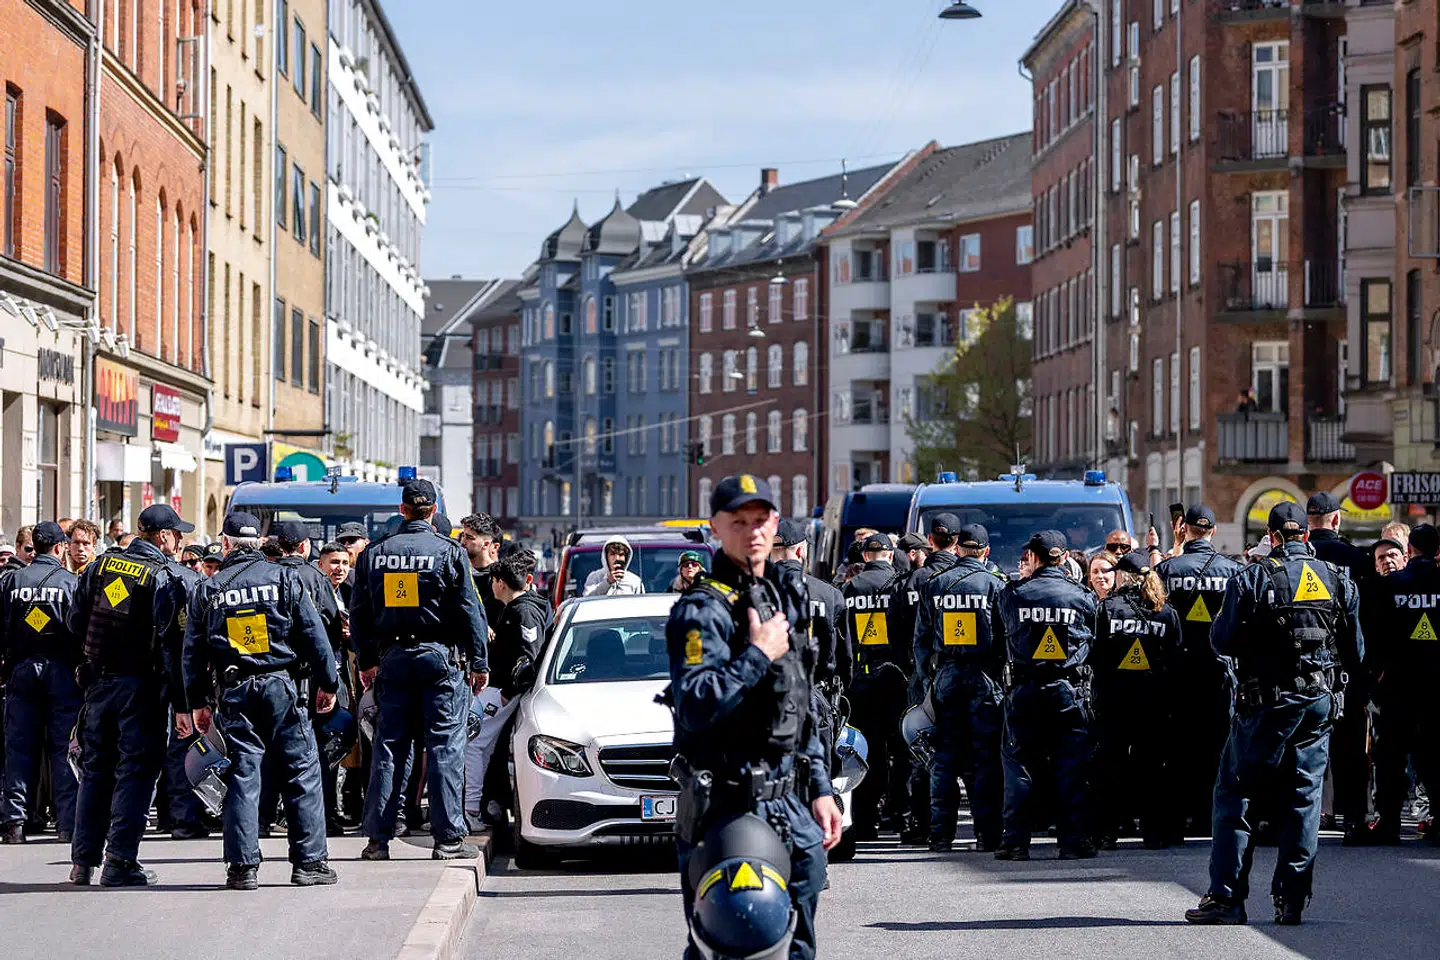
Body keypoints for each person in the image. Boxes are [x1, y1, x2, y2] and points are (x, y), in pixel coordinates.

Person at [665, 474, 841, 959]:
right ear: (715, 528)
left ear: (776, 523)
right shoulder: (703, 610)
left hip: (791, 805)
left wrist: (822, 790)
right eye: (738, 522)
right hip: (725, 805)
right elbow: (697, 702)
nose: (753, 532)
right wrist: (757, 655)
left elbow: (798, 709)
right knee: (726, 941)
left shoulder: (779, 601)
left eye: (761, 520)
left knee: (798, 946)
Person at [1186, 501, 1362, 926]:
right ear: (1306, 534)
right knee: (1303, 798)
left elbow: (1222, 641)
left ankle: (1226, 898)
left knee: (1237, 792)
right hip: (1319, 702)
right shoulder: (1339, 580)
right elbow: (1356, 651)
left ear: (1274, 536)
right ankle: (1292, 900)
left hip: (1266, 702)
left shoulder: (1252, 578)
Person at [183, 512, 339, 890]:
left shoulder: (210, 588)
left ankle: (242, 867)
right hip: (280, 686)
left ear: (225, 545)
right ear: (260, 543)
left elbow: (191, 652)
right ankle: (310, 863)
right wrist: (328, 683)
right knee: (301, 770)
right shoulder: (285, 578)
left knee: (243, 775)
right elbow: (314, 635)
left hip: (235, 691)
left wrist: (197, 702)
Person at [353, 478, 488, 861]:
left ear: (403, 510)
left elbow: (360, 615)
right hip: (439, 659)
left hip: (393, 660)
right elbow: (469, 611)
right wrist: (479, 663)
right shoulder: (448, 551)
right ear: (434, 512)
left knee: (389, 746)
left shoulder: (374, 554)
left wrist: (367, 662)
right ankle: (447, 840)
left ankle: (378, 840)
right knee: (445, 747)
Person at [66, 505, 192, 886]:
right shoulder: (163, 577)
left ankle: (82, 862)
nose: (181, 541)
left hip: (98, 685)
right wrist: (183, 702)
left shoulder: (99, 567)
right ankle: (119, 862)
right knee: (135, 773)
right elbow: (173, 645)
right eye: (178, 534)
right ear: (165, 537)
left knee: (96, 770)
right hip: (141, 688)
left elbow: (76, 622)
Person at [994, 529, 1098, 860]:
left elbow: (1001, 635)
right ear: (1064, 557)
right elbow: (1092, 639)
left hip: (1025, 689)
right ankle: (1072, 841)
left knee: (1020, 765)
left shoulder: (1014, 594)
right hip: (1069, 691)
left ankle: (1015, 843)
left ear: (1034, 558)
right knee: (1070, 766)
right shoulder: (1081, 596)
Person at [914, 521, 1005, 853]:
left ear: (957, 549)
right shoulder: (996, 584)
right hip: (985, 681)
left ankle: (940, 836)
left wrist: (928, 681)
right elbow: (1006, 639)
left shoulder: (935, 584)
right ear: (985, 552)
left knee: (945, 760)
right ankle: (987, 836)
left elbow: (921, 642)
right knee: (985, 760)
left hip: (947, 678)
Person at [1155, 505, 1243, 841]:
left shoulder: (1166, 570)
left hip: (1176, 671)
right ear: (1213, 531)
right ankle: (1210, 817)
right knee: (1217, 746)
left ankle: (1177, 818)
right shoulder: (1233, 571)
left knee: (1177, 746)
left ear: (1183, 529)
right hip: (1219, 672)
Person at [1092, 551, 1181, 849]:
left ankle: (1106, 831)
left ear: (1123, 575)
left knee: (1110, 765)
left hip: (1115, 701)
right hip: (1154, 702)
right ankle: (1155, 832)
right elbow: (1176, 657)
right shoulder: (1165, 611)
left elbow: (1096, 657)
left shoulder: (1107, 609)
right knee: (1153, 766)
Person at [0, 522, 81, 844]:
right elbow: (80, 632)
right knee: (64, 749)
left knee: (18, 748)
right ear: (60, 547)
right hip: (62, 672)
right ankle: (66, 824)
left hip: (21, 670)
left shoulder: (12, 581)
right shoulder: (70, 583)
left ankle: (14, 823)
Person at [273, 521, 349, 835]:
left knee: (272, 751)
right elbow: (328, 633)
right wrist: (330, 682)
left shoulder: (269, 575)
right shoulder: (316, 579)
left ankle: (269, 817)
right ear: (306, 547)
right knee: (321, 748)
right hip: (312, 679)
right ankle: (323, 817)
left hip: (275, 676)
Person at [1304, 492, 1373, 842]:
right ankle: (1354, 820)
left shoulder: (1296, 559)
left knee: (1304, 748)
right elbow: (1369, 620)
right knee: (1350, 752)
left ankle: (1305, 819)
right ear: (1335, 520)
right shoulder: (1356, 559)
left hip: (1301, 672)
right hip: (1346, 672)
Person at [1366, 523, 1440, 847]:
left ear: (1409, 551)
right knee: (1435, 756)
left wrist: (1377, 673)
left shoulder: (1391, 586)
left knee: (1391, 758)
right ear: (1437, 552)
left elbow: (1374, 636)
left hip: (1398, 686)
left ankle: (1389, 823)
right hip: (1437, 687)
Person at [467, 550, 549, 828]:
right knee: (481, 746)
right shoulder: (519, 607)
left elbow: (530, 656)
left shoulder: (523, 610)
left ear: (500, 582)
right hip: (501, 690)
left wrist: (508, 691)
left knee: (474, 745)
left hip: (502, 691)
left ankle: (470, 811)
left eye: (493, 581)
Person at [842, 533, 910, 837]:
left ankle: (866, 820)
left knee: (866, 752)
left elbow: (843, 641)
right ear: (891, 554)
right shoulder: (901, 585)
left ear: (865, 556)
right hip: (898, 679)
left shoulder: (850, 587)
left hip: (863, 679)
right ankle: (899, 814)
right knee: (903, 749)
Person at [458, 514, 505, 631]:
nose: (463, 541)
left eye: (469, 537)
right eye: (463, 535)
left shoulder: (500, 576)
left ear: (486, 544)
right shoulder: (457, 571)